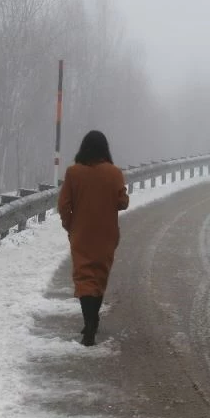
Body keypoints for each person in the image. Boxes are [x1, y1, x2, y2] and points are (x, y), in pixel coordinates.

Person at [58, 130, 129, 346]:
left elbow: (64, 205)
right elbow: (122, 203)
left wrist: (70, 226)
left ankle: (89, 322)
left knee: (84, 276)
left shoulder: (73, 173)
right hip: (106, 234)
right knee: (99, 275)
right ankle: (93, 320)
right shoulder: (114, 173)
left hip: (81, 233)